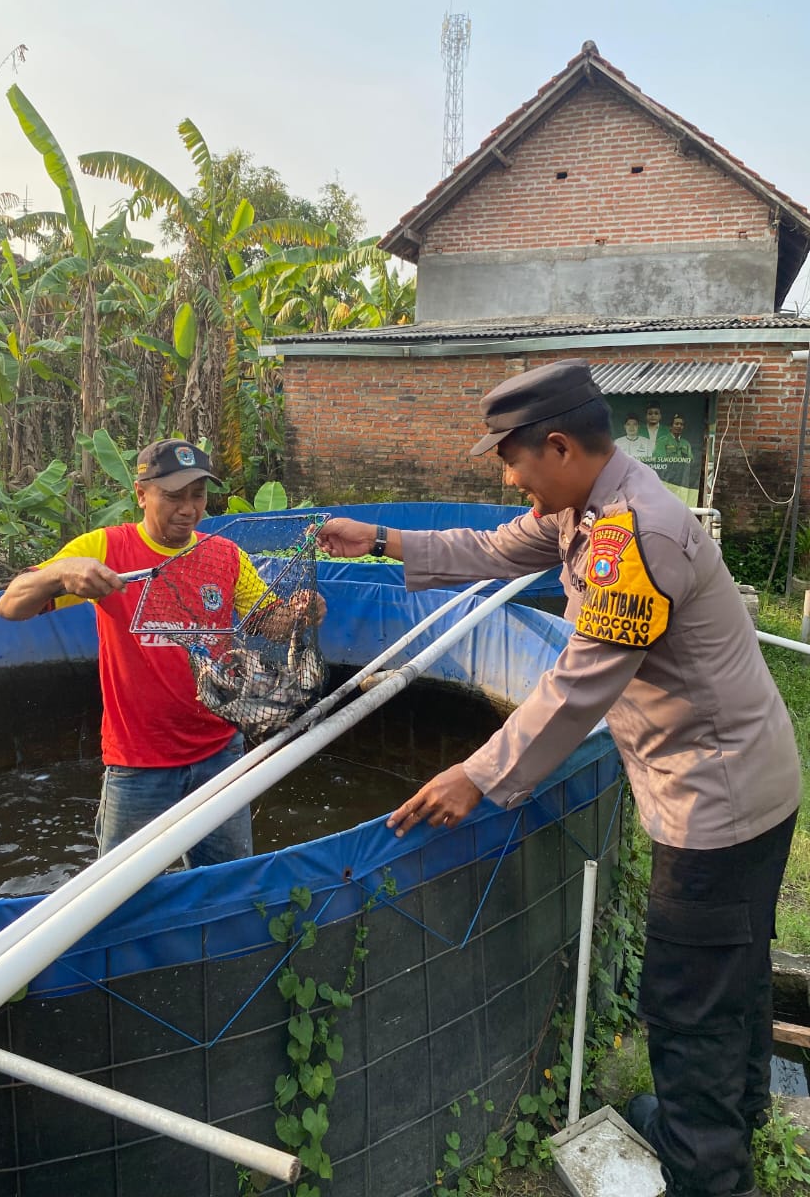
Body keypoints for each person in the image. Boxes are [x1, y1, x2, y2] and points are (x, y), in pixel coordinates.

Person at [317, 361, 799, 1197]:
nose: (510, 481)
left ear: (561, 446)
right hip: (744, 782)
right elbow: (492, 549)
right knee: (734, 971)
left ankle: (708, 1174)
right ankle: (725, 1118)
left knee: (688, 996)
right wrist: (385, 540)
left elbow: (577, 688)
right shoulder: (588, 509)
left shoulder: (635, 536)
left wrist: (475, 774)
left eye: (513, 461)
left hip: (714, 805)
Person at [0, 438, 326, 866]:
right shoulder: (105, 549)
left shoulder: (224, 554)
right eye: (173, 497)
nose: (188, 509)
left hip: (219, 754)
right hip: (138, 762)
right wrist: (61, 573)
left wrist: (299, 615)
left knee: (224, 880)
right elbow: (10, 606)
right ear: (141, 494)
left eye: (198, 496)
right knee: (119, 889)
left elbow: (269, 622)